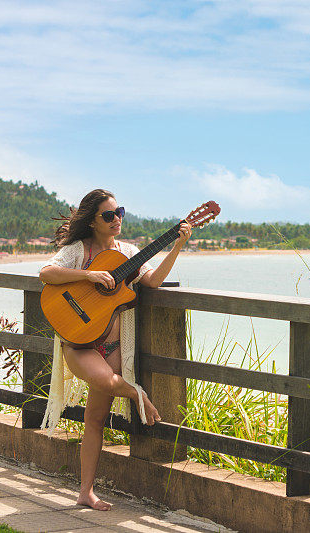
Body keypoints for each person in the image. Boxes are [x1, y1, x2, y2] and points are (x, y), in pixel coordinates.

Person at [38, 188, 191, 510]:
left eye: (119, 212)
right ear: (93, 221)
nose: (117, 219)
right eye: (109, 215)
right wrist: (89, 273)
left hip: (114, 346)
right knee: (109, 383)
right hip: (79, 343)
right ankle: (137, 394)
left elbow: (152, 282)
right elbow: (47, 273)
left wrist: (177, 246)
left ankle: (86, 492)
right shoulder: (79, 249)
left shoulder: (128, 252)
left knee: (94, 420)